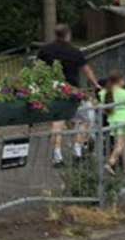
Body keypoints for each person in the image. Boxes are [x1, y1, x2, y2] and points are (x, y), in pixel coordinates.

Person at [36, 24, 101, 167]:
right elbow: (87, 70)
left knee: (57, 123)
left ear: (56, 34)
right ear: (68, 35)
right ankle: (77, 151)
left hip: (53, 91)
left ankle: (57, 155)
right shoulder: (75, 52)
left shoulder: (45, 50)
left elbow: (38, 69)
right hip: (72, 92)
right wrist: (96, 84)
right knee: (83, 120)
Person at [101, 73, 125, 176]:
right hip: (124, 120)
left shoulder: (105, 92)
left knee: (121, 144)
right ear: (119, 81)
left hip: (112, 120)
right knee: (120, 144)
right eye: (123, 80)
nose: (124, 82)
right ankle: (110, 163)